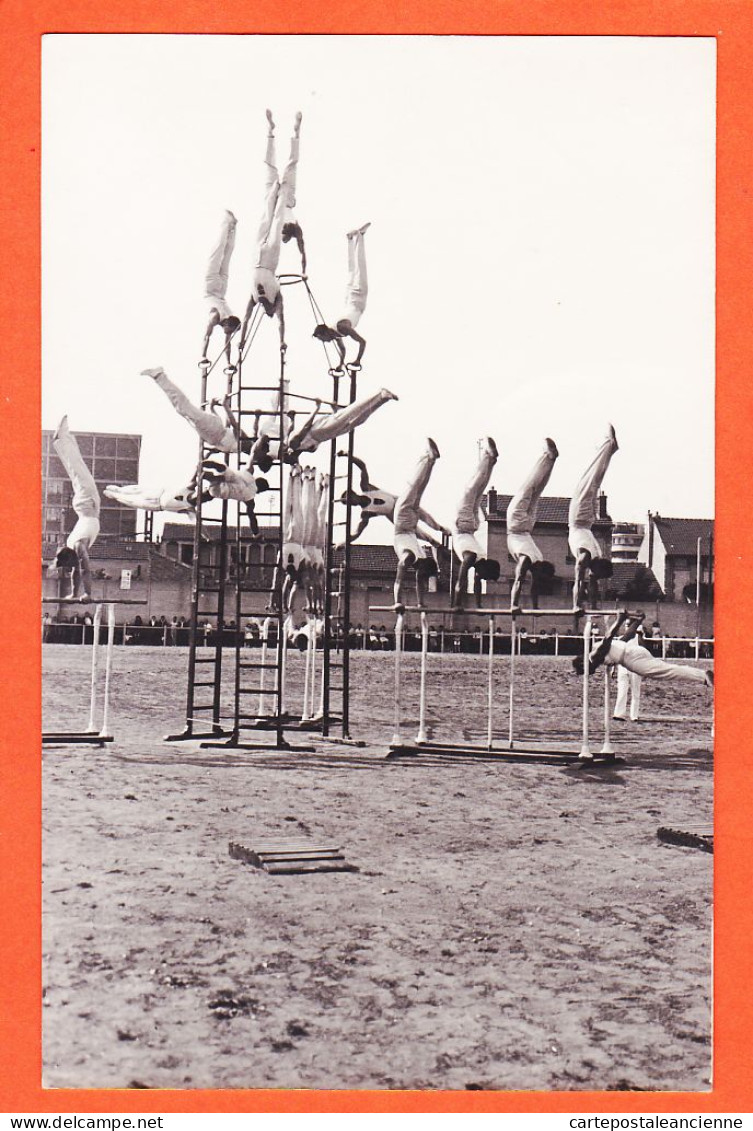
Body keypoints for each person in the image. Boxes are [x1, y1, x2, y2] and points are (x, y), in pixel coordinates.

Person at [240, 110, 302, 353]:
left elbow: (245, 320)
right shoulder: (278, 298)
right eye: (269, 310)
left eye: (264, 310)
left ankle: (270, 132)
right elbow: (282, 322)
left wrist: (242, 340)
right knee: (276, 216)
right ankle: (294, 132)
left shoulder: (254, 299)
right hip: (271, 260)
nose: (265, 308)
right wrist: (282, 341)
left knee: (268, 212)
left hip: (256, 257)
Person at [572, 610, 713, 688]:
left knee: (666, 671)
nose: (591, 671)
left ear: (584, 663)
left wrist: (620, 620)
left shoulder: (594, 656)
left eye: (586, 670)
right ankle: (702, 676)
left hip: (631, 660)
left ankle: (703, 676)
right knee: (667, 669)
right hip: (635, 650)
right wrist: (639, 621)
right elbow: (626, 636)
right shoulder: (598, 651)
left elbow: (609, 637)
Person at [340, 453, 446, 545]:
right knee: (411, 530)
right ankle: (432, 541)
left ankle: (440, 528)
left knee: (422, 512)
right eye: (349, 504)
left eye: (350, 500)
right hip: (394, 514)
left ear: (353, 493)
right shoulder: (366, 513)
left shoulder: (366, 488)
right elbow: (357, 533)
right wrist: (344, 542)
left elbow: (362, 466)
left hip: (398, 500)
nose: (351, 503)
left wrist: (348, 456)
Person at [49, 417, 100, 601]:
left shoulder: (78, 546)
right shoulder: (72, 547)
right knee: (77, 469)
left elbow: (86, 569)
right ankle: (65, 438)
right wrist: (74, 594)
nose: (72, 568)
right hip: (86, 506)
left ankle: (61, 439)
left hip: (87, 503)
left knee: (77, 468)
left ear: (71, 557)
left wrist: (88, 593)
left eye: (70, 564)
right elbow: (76, 572)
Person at [393, 439, 447, 611]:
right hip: (411, 525)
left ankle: (426, 456)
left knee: (414, 485)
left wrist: (397, 601)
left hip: (402, 520)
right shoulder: (421, 558)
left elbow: (398, 581)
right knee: (421, 487)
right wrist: (420, 603)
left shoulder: (408, 558)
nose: (419, 579)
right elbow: (419, 583)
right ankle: (431, 460)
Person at [143, 367, 249, 454]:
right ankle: (160, 376)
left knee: (181, 410)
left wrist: (212, 408)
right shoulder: (245, 443)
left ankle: (160, 377)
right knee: (184, 407)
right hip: (214, 429)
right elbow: (234, 424)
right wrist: (225, 406)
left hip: (211, 432)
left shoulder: (239, 450)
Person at [569, 426, 618, 609]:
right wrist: (576, 606)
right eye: (597, 574)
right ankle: (608, 445)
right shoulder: (585, 557)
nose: (595, 577)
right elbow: (578, 582)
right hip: (578, 519)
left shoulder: (597, 556)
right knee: (589, 479)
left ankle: (610, 448)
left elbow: (592, 584)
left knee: (594, 481)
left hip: (586, 521)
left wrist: (594, 608)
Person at [507, 438, 559, 611]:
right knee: (528, 488)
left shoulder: (539, 559)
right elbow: (518, 582)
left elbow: (533, 587)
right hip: (515, 523)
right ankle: (546, 457)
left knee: (536, 490)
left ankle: (551, 459)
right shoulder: (527, 559)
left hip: (527, 526)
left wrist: (535, 608)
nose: (534, 578)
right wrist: (513, 605)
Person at [451, 438, 501, 609]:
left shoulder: (481, 558)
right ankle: (488, 457)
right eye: (485, 577)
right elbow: (461, 579)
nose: (481, 578)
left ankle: (491, 460)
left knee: (478, 489)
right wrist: (457, 604)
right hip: (463, 525)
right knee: (472, 488)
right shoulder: (471, 557)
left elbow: (476, 583)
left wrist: (479, 605)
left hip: (471, 526)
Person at [313, 223, 370, 369]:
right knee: (351, 270)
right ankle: (350, 240)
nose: (325, 342)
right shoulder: (335, 333)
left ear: (326, 332)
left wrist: (358, 360)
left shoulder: (342, 328)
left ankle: (360, 237)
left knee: (359, 268)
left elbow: (362, 342)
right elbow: (343, 350)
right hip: (349, 299)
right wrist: (340, 364)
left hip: (357, 299)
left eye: (323, 339)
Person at [202, 209, 242, 364]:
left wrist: (228, 363)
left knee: (226, 253)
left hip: (220, 289)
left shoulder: (229, 320)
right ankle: (228, 222)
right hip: (211, 287)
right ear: (227, 324)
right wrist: (203, 355)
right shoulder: (215, 317)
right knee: (220, 251)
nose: (229, 334)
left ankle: (232, 227)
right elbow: (207, 336)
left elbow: (227, 345)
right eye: (230, 331)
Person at [191, 458, 269, 535]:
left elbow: (252, 456)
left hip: (230, 478)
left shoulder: (249, 473)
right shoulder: (250, 498)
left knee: (224, 469)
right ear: (260, 491)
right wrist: (256, 533)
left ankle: (205, 470)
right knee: (213, 489)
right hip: (221, 491)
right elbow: (251, 516)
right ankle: (210, 479)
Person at [613, 623, 645, 721]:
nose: (627, 627)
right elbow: (616, 654)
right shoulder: (621, 638)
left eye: (628, 625)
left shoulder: (638, 638)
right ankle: (619, 714)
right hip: (623, 668)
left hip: (635, 668)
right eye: (626, 625)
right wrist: (614, 669)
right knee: (622, 691)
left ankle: (634, 716)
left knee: (635, 692)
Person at [104, 481, 196, 514]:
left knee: (131, 501)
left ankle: (115, 495)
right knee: (134, 490)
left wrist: (206, 536)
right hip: (157, 492)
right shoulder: (189, 487)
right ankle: (119, 490)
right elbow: (197, 470)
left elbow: (196, 522)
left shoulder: (188, 508)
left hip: (155, 505)